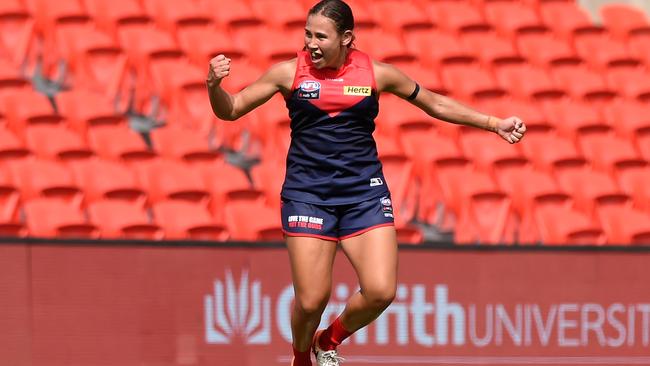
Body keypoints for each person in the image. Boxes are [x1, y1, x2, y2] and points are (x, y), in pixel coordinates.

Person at [206, 1, 526, 365]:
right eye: (307, 33)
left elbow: (434, 103)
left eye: (321, 36)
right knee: (311, 300)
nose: (311, 43)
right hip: (308, 196)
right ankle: (300, 357)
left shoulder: (377, 73)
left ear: (345, 38)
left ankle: (328, 340)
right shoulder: (287, 73)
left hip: (364, 193)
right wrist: (214, 86)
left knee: (380, 291)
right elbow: (230, 109)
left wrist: (492, 123)